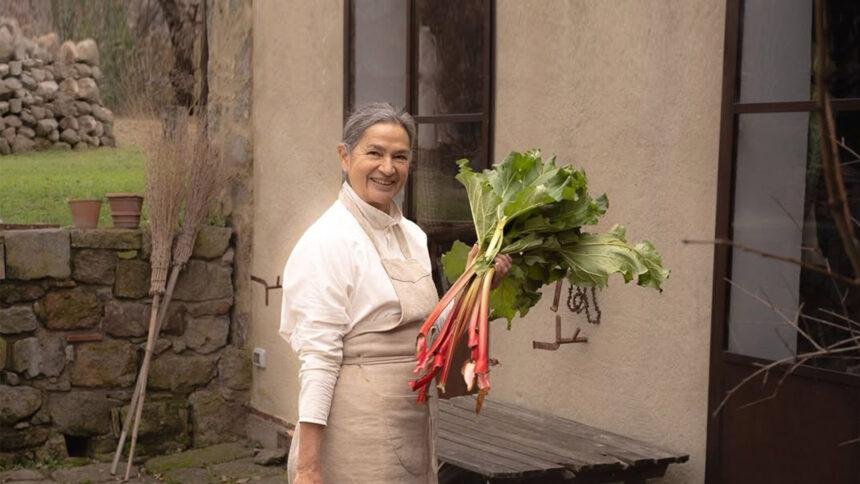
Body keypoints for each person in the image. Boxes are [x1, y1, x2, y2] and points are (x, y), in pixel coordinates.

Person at [280, 103, 511, 484]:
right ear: (344, 156)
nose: (387, 168)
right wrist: (307, 469)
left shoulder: (413, 236)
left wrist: (475, 283)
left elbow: (428, 332)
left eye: (400, 157)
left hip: (414, 425)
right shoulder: (328, 241)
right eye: (374, 153)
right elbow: (319, 359)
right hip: (355, 430)